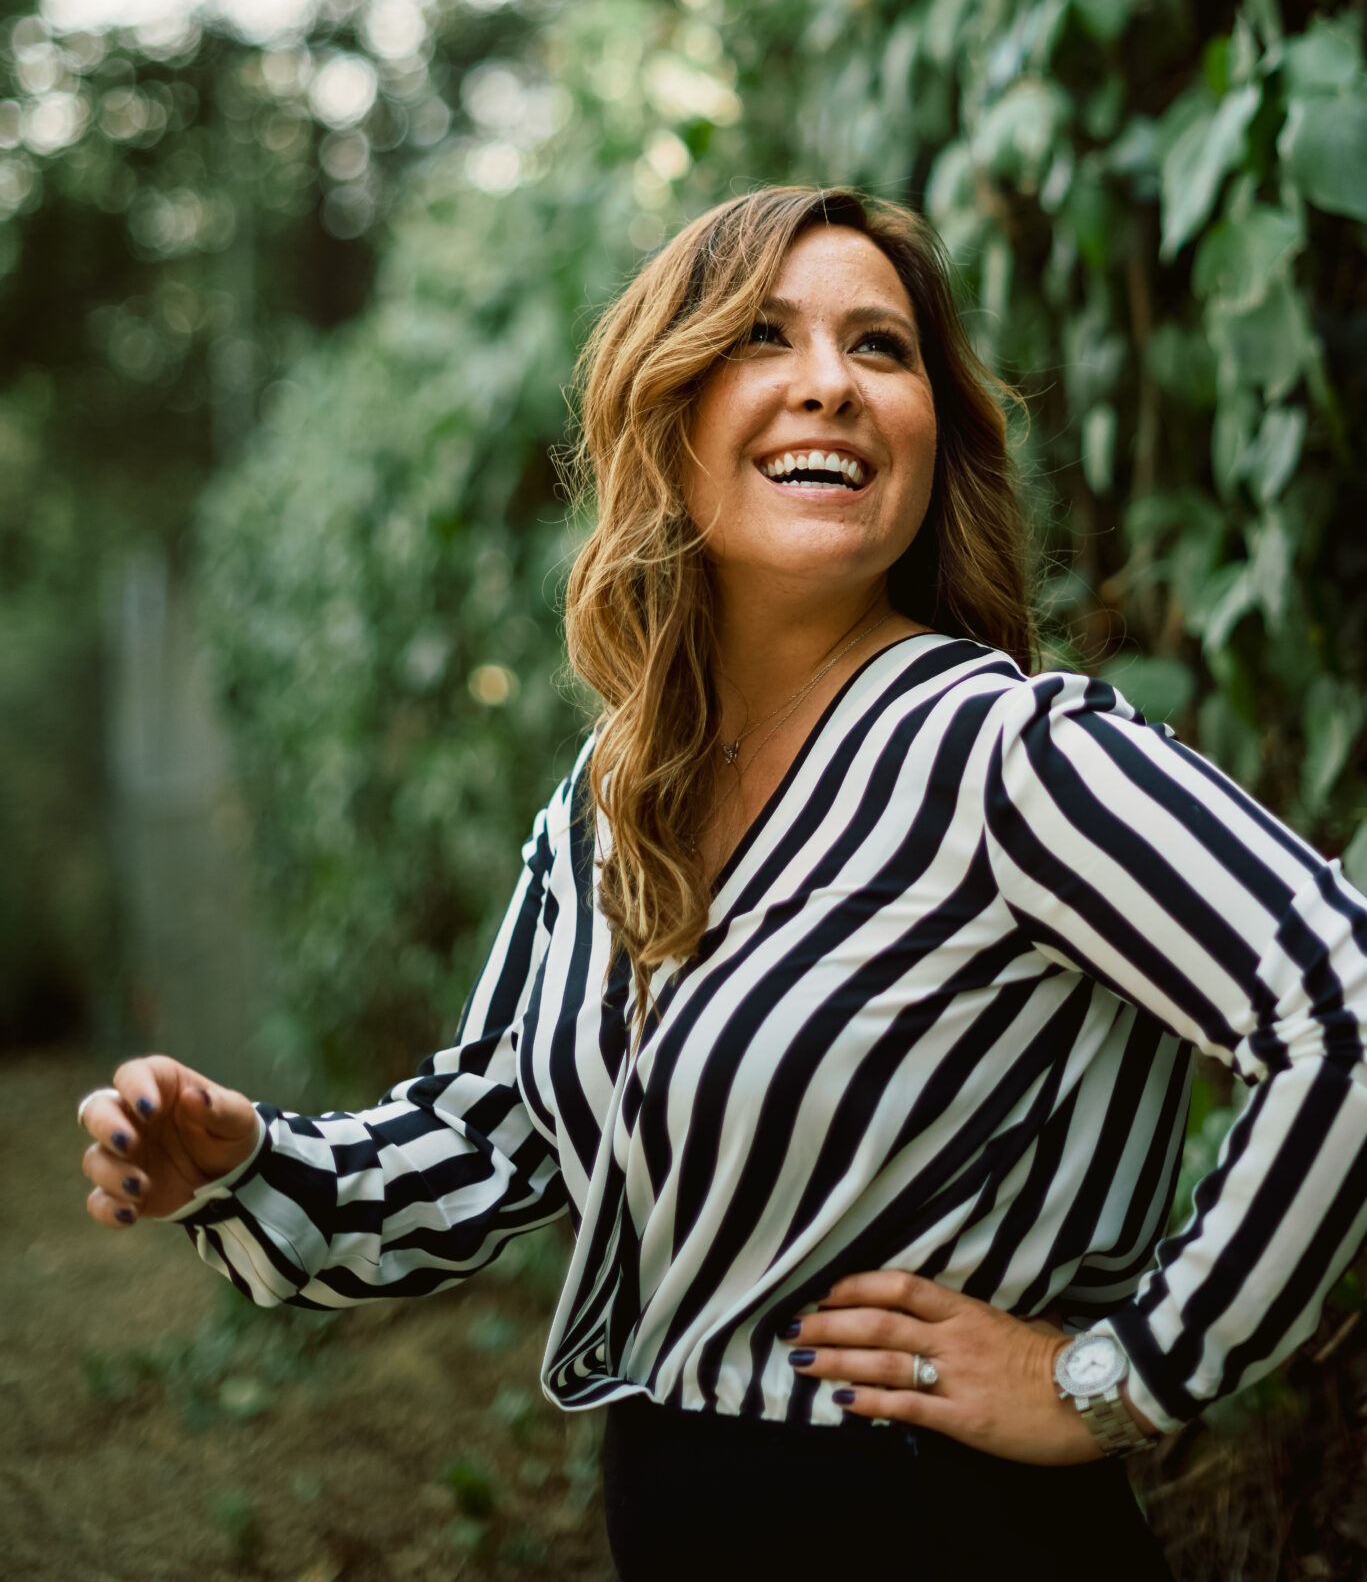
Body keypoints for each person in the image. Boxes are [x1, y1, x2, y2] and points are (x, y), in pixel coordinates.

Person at [78, 187, 1367, 1582]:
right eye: (765, 337)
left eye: (882, 349)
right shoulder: (611, 799)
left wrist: (1124, 1378)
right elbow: (494, 1142)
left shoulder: (1012, 754)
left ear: (937, 439)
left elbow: (1346, 1007)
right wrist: (247, 1165)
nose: (830, 384)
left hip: (948, 1532)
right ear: (671, 413)